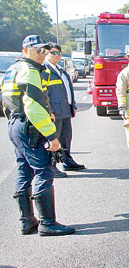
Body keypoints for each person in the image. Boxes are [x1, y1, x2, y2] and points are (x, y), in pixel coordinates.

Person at [1, 35, 75, 236]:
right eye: (37, 51)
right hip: (30, 126)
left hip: (16, 125)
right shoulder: (29, 71)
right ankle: (47, 223)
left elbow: (5, 102)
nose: (42, 55)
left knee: (24, 171)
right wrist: (52, 136)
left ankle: (27, 222)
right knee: (44, 170)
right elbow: (33, 107)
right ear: (25, 51)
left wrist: (16, 121)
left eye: (44, 51)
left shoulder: (11, 70)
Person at [42, 43, 86, 178]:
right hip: (54, 111)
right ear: (46, 54)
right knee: (53, 139)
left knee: (66, 137)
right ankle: (51, 166)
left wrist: (72, 106)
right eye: (53, 53)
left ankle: (67, 160)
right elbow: (44, 93)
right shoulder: (44, 70)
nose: (57, 55)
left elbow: (66, 89)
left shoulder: (60, 69)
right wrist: (50, 110)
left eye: (58, 53)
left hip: (65, 109)